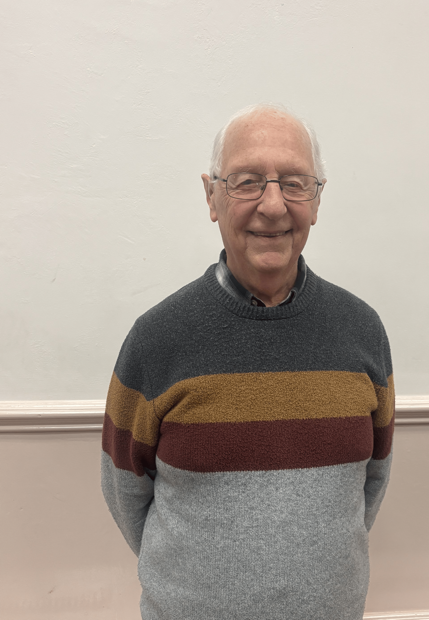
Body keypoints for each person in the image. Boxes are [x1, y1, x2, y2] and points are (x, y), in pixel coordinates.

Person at [101, 103, 395, 620]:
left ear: (318, 200)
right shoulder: (158, 339)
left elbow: (371, 482)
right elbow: (126, 494)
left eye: (296, 183)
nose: (274, 205)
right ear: (211, 196)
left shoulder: (362, 331)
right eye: (248, 181)